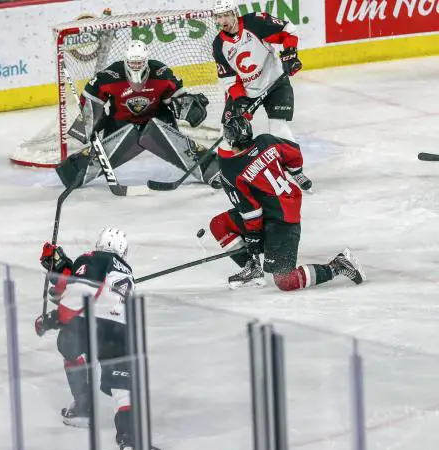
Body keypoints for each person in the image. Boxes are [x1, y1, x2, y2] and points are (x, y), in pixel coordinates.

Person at [34, 227, 166, 450]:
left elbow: (79, 290)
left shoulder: (92, 257)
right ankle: (129, 437)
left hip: (90, 323)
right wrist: (62, 268)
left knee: (69, 344)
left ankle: (83, 405)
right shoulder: (126, 270)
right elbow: (76, 285)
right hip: (121, 330)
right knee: (121, 386)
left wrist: (52, 319)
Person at [209, 115, 366, 290]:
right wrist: (295, 171)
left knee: (285, 280)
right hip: (280, 209)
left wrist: (253, 240)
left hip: (282, 222)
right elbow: (294, 152)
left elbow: (251, 211)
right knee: (219, 224)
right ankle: (253, 268)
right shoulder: (267, 141)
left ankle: (339, 266)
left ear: (230, 140)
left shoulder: (232, 171)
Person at [56, 40, 221, 190]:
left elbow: (178, 98)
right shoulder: (111, 75)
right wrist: (90, 119)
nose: (135, 66)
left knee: (160, 131)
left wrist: (190, 106)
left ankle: (212, 169)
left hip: (157, 122)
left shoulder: (161, 73)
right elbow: (92, 95)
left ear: (146, 61)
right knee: (108, 146)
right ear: (126, 61)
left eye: (139, 63)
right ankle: (73, 171)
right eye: (132, 63)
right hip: (121, 125)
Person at [211, 0, 313, 191]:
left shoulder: (255, 23)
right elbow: (228, 78)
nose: (223, 20)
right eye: (219, 17)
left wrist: (290, 53)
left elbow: (289, 30)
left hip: (275, 82)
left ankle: (295, 169)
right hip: (246, 91)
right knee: (228, 132)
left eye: (226, 15)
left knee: (278, 127)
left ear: (234, 13)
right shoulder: (218, 45)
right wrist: (240, 99)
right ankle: (225, 173)